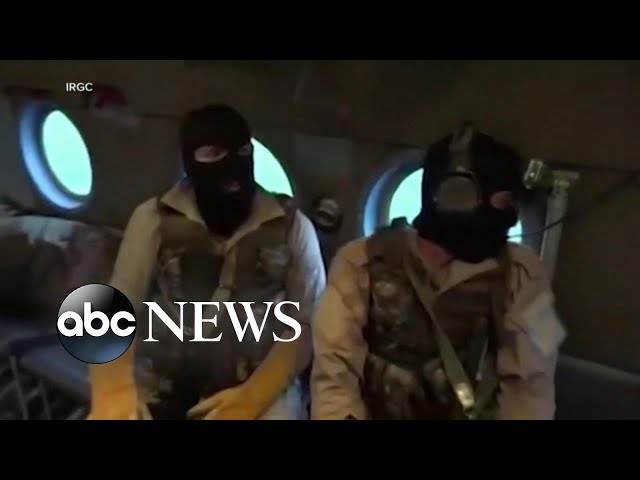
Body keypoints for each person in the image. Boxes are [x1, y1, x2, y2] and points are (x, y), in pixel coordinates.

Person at [310, 125, 566, 420]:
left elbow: (532, 389)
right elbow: (334, 378)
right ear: (458, 197)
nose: (509, 218)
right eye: (503, 204)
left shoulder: (525, 275)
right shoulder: (359, 262)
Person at [87, 104, 326, 420]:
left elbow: (308, 324)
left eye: (242, 151)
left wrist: (250, 399)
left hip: (259, 380)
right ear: (190, 161)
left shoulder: (293, 226)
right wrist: (113, 392)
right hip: (162, 375)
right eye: (212, 154)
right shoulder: (153, 219)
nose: (231, 166)